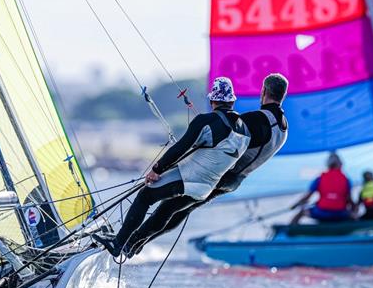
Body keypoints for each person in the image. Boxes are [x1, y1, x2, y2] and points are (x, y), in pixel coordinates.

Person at [122, 73, 290, 256]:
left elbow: (228, 130)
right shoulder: (284, 127)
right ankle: (136, 244)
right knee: (181, 209)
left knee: (168, 206)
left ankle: (130, 242)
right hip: (233, 182)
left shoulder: (259, 119)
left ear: (263, 91)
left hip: (220, 174)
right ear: (283, 94)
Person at [93, 77, 251, 257]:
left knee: (145, 197)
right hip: (207, 189)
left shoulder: (206, 121)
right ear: (232, 100)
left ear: (212, 99)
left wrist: (157, 169)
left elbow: (180, 148)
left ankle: (118, 243)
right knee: (168, 210)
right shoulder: (245, 131)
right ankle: (132, 245)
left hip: (189, 179)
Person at [289, 152, 354, 225]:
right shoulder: (346, 180)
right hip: (340, 213)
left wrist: (295, 205)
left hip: (322, 212)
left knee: (301, 213)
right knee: (352, 214)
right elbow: (349, 199)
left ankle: (290, 231)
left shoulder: (320, 178)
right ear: (340, 164)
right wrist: (354, 210)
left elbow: (306, 197)